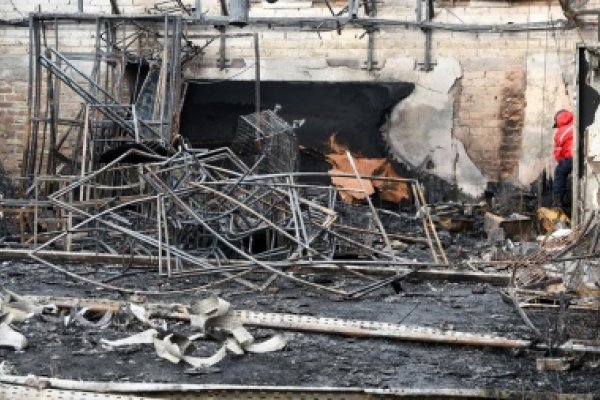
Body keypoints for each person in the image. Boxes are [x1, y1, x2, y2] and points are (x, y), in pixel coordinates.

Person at [552, 109, 573, 208]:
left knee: (559, 172)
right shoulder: (574, 124)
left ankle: (559, 201)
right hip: (579, 157)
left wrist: (559, 161)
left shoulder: (561, 132)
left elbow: (558, 152)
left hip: (570, 157)